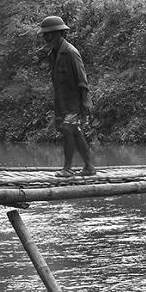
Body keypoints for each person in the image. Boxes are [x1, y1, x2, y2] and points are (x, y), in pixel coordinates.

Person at [39, 15, 96, 177]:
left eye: (50, 34)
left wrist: (85, 100)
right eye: (45, 34)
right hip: (62, 102)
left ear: (60, 34)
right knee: (75, 132)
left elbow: (82, 78)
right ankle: (89, 167)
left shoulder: (71, 53)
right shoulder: (52, 54)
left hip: (74, 103)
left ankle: (67, 168)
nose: (46, 37)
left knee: (68, 129)